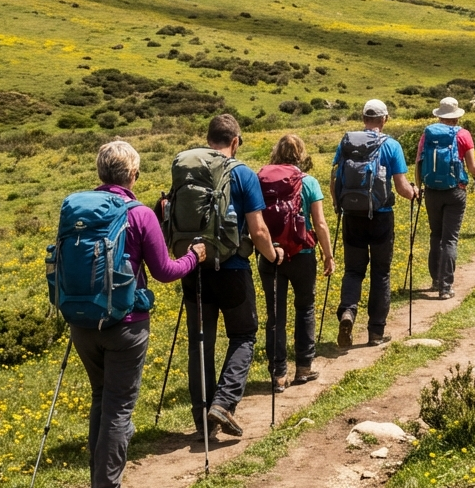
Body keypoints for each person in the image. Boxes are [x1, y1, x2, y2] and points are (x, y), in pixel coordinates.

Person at [71, 140, 206, 488]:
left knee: (101, 398)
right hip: (126, 324)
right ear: (133, 174)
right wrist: (194, 257)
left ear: (101, 172)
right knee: (117, 407)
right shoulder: (140, 214)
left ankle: (100, 480)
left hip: (82, 321)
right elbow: (164, 271)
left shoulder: (78, 209)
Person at [177, 114, 286, 440]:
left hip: (194, 266)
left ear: (208, 139)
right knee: (243, 334)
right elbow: (258, 230)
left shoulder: (187, 169)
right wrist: (273, 255)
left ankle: (203, 422)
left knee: (200, 343)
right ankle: (223, 403)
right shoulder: (242, 174)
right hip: (232, 269)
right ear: (235, 141)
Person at [331, 99, 417, 347]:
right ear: (384, 119)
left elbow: (335, 178)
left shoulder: (346, 142)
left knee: (353, 271)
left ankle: (348, 311)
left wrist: (338, 206)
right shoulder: (391, 145)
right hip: (381, 216)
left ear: (363, 118)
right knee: (380, 273)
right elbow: (401, 188)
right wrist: (414, 193)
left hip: (352, 216)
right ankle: (376, 332)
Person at [258, 134, 335, 388]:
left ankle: (278, 374)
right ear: (300, 154)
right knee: (305, 309)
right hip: (302, 254)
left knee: (275, 316)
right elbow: (320, 223)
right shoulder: (308, 181)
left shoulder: (260, 180)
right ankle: (303, 367)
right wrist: (328, 254)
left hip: (270, 255)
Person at [416, 97, 475, 300]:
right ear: (456, 116)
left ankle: (436, 280)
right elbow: (472, 167)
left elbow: (419, 162)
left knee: (436, 235)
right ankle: (445, 287)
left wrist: (419, 187)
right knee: (450, 239)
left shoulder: (427, 135)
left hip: (431, 191)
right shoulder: (463, 135)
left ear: (439, 116)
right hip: (455, 191)